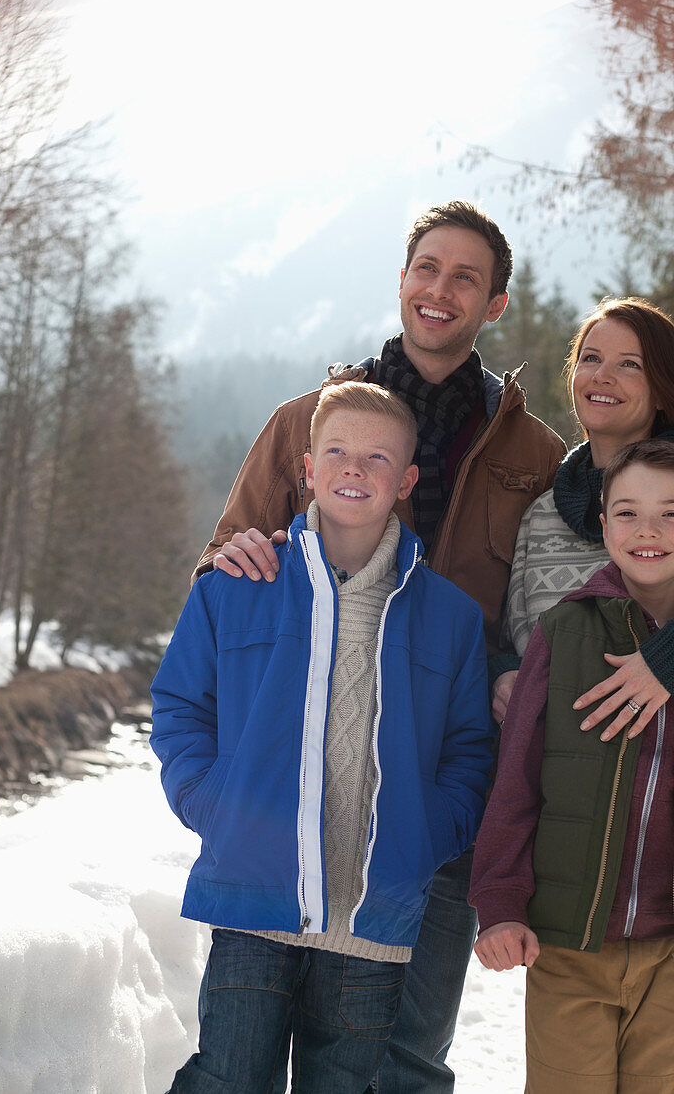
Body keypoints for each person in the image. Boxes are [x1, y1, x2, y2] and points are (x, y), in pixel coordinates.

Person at [193, 201, 565, 1091]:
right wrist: (231, 559)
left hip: (435, 792)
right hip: (296, 793)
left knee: (401, 1057)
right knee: (246, 1053)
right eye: (426, 269)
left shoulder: (537, 456)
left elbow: (550, 610)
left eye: (465, 277)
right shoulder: (303, 423)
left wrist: (511, 685)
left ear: (497, 304)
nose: (441, 290)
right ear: (402, 280)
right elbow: (220, 572)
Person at [152, 382, 495, 1092]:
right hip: (253, 898)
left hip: (375, 917)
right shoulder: (235, 586)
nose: (354, 469)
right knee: (227, 1079)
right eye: (336, 451)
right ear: (307, 468)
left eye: (377, 458)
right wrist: (214, 803)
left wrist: (431, 831)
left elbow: (470, 749)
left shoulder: (450, 619)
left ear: (405, 481)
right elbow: (180, 707)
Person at [469, 438, 674, 1094]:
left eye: (673, 513)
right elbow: (517, 782)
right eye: (628, 512)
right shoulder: (564, 633)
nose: (648, 530)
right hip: (570, 943)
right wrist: (500, 901)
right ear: (602, 522)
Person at [495, 297, 674, 736]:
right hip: (559, 776)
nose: (602, 376)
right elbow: (511, 635)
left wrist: (665, 659)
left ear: (662, 389)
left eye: (629, 364)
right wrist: (500, 676)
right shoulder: (542, 513)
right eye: (590, 358)